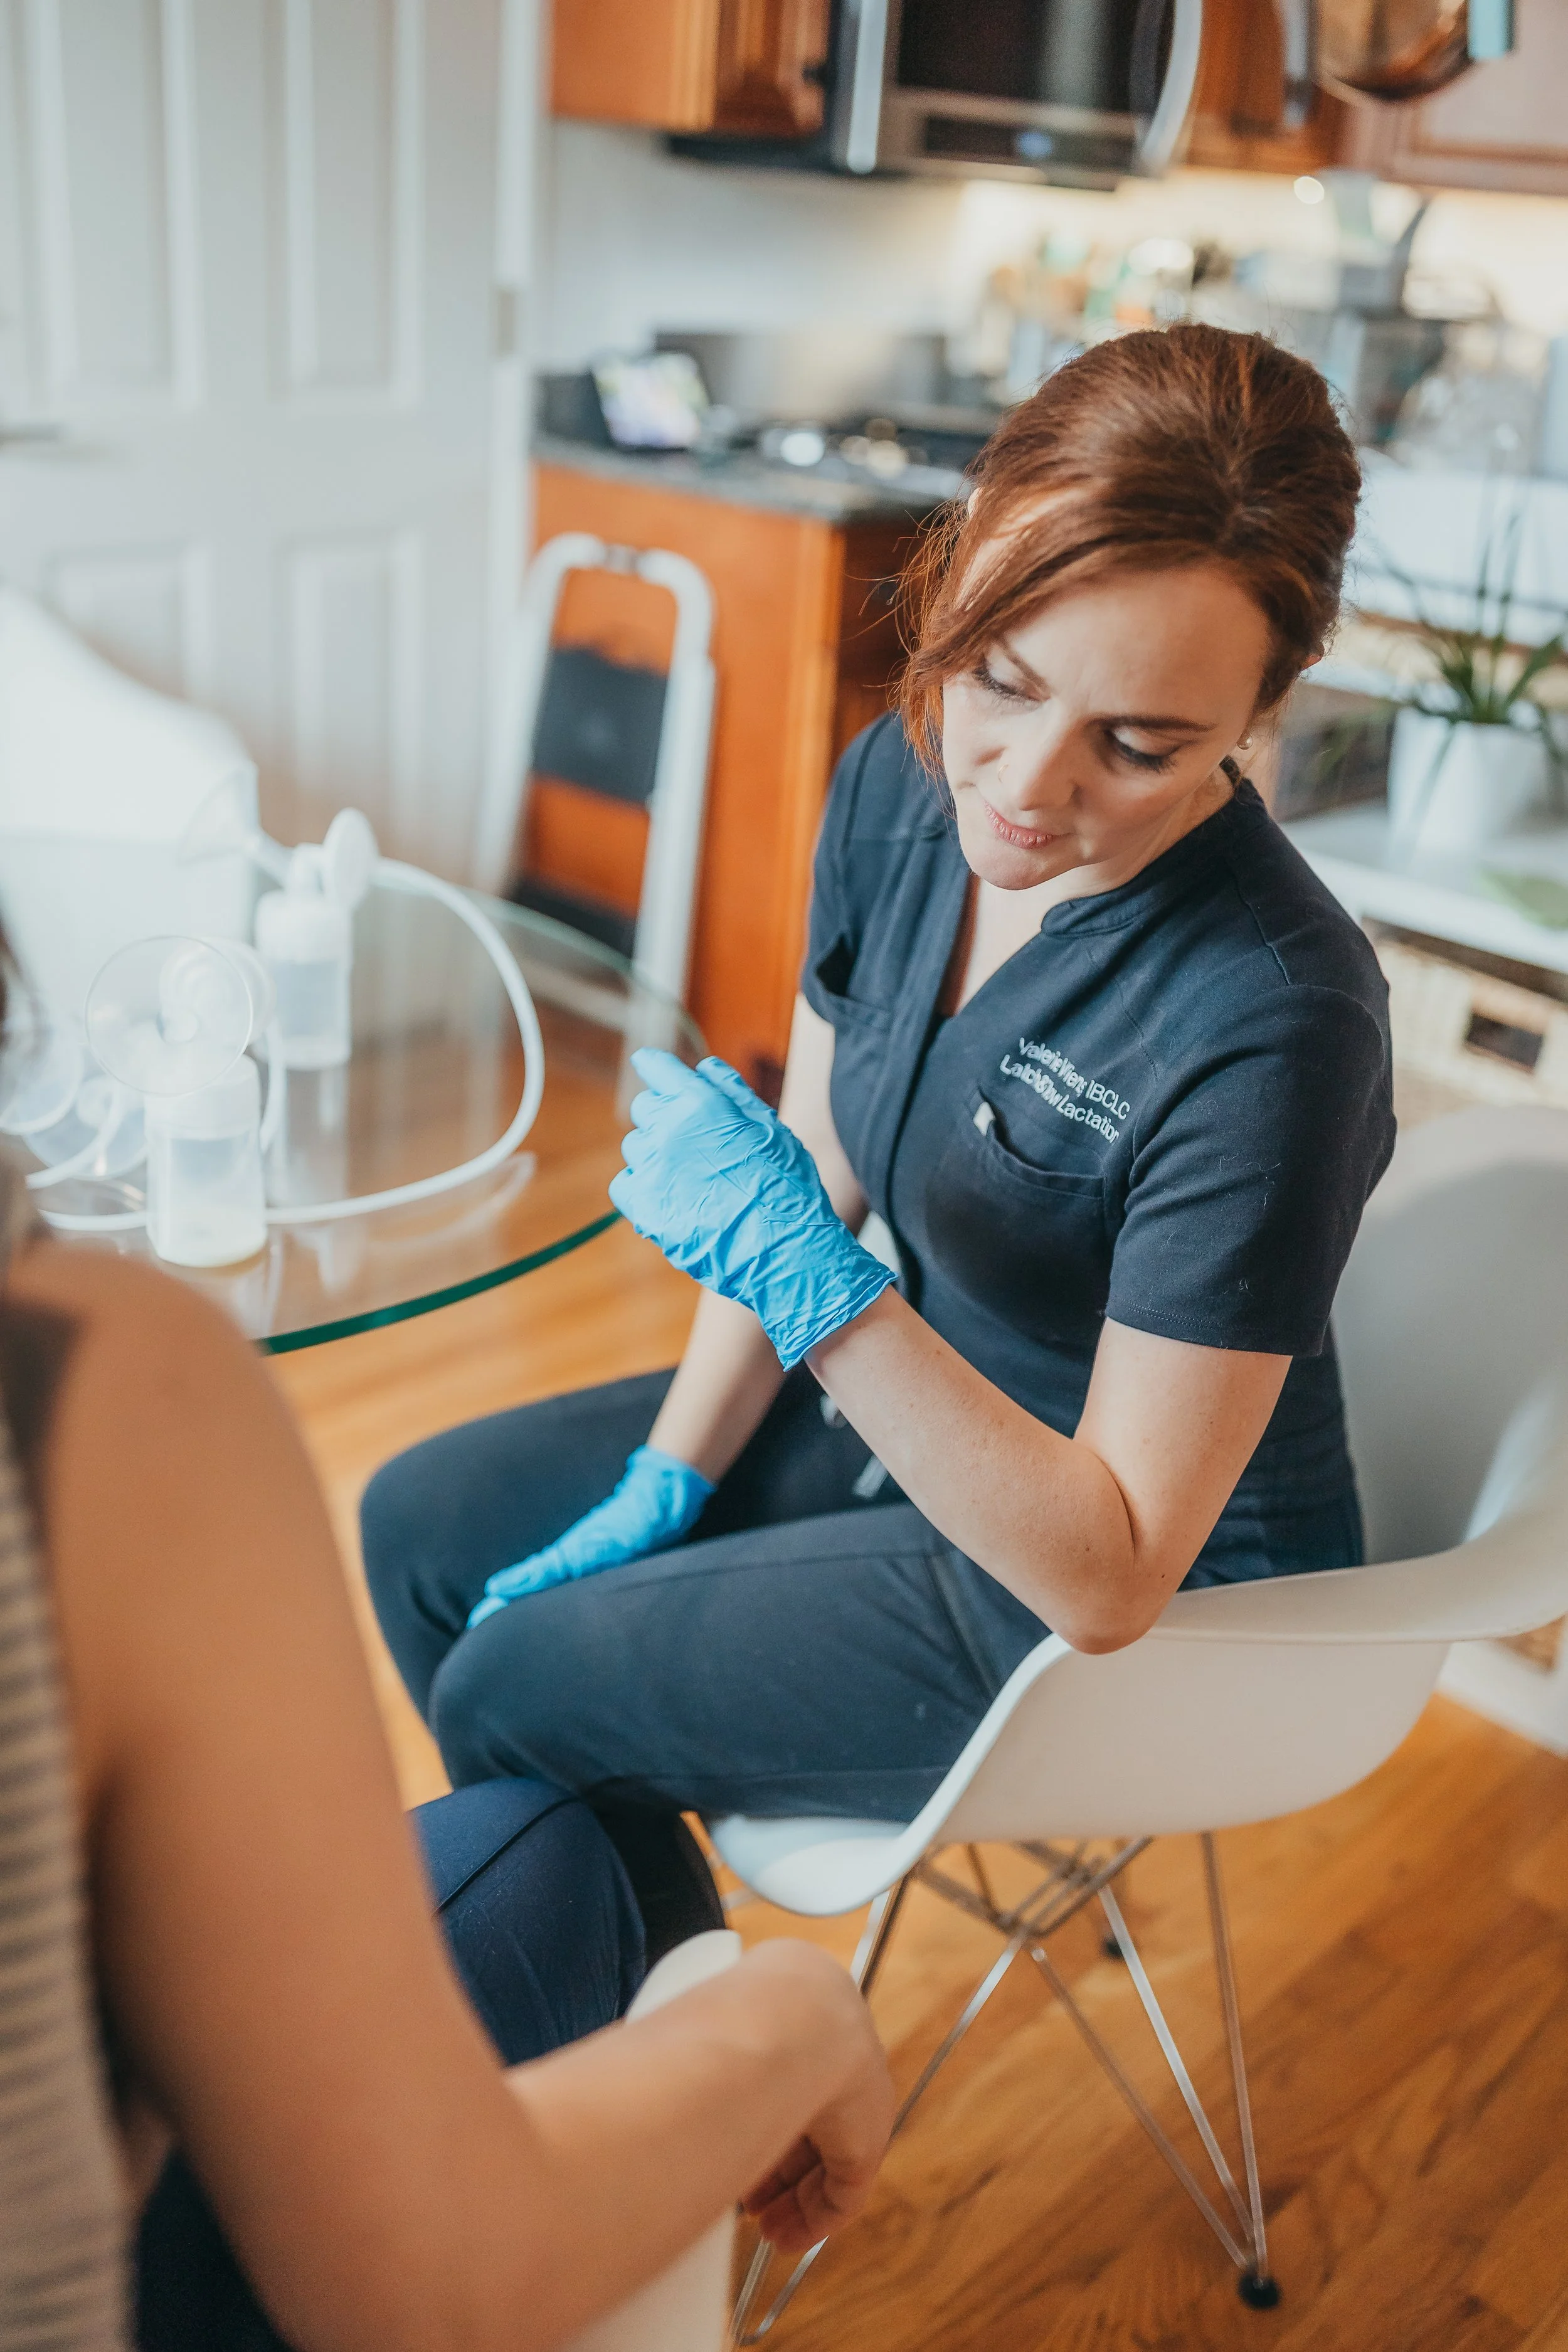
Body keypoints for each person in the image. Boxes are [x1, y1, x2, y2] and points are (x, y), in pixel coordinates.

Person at [363, 323, 1395, 1849]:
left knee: (514, 1689)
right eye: (997, 674)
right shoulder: (902, 784)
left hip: (1145, 1594)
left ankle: (685, 2067)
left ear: (1258, 713)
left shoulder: (1276, 1017)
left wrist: (810, 1285)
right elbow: (817, 1168)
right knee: (422, 1530)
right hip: (924, 1421)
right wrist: (671, 1473)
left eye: (1134, 743)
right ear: (965, 557)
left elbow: (1109, 1573)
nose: (1024, 788)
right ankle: (626, 1989)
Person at [0, 952, 894, 2350]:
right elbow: (421, 2275)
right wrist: (798, 2014)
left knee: (460, 1601)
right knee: (577, 1816)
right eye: (999, 707)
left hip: (992, 1515)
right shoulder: (94, 1391)